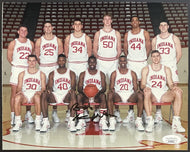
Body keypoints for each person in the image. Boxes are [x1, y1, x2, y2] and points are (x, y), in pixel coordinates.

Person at [141, 50, 185, 133]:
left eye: (157, 56)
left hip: (163, 93)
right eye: (154, 56)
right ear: (151, 58)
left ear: (160, 57)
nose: (156, 58)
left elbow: (170, 84)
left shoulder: (166, 69)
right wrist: (145, 88)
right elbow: (142, 84)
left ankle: (176, 122)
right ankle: (150, 121)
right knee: (146, 92)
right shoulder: (146, 69)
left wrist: (174, 87)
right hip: (152, 94)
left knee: (178, 92)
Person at [151, 20, 182, 124]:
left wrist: (172, 64)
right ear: (159, 27)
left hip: (171, 66)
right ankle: (158, 114)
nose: (163, 27)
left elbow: (179, 54)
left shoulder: (174, 38)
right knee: (158, 88)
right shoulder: (155, 39)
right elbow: (153, 54)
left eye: (165, 25)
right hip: (159, 66)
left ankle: (176, 117)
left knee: (175, 90)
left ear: (168, 26)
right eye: (161, 25)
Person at [93, 13, 121, 122]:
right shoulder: (98, 33)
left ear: (111, 21)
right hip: (101, 62)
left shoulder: (116, 33)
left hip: (113, 62)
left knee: (114, 86)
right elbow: (95, 47)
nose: (107, 21)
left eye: (109, 19)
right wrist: (98, 57)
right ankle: (97, 110)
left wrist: (116, 58)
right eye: (105, 19)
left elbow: (119, 48)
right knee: (98, 86)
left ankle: (116, 111)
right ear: (103, 21)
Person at [123, 16, 151, 124]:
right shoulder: (127, 34)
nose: (135, 22)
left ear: (139, 22)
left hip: (142, 62)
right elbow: (125, 49)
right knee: (131, 86)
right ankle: (130, 113)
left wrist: (144, 57)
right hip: (131, 62)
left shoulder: (145, 33)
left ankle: (143, 111)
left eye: (136, 20)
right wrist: (130, 58)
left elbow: (148, 48)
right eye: (133, 20)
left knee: (142, 86)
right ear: (131, 23)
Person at [64, 18, 92, 121]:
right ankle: (69, 110)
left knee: (84, 88)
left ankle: (84, 110)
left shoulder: (86, 38)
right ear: (73, 26)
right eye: (75, 24)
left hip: (83, 64)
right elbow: (66, 53)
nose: (77, 26)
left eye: (79, 24)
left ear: (82, 26)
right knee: (71, 87)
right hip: (72, 64)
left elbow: (89, 52)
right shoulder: (68, 38)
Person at [40, 54, 77, 133]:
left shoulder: (71, 73)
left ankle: (71, 122)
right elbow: (50, 86)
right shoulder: (52, 73)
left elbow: (73, 86)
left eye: (63, 60)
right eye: (59, 60)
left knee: (73, 94)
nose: (61, 62)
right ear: (57, 62)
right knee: (43, 94)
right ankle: (46, 122)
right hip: (55, 95)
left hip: (66, 95)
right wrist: (48, 90)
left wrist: (72, 90)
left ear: (65, 61)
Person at [35, 22, 64, 123]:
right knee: (43, 90)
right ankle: (44, 114)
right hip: (43, 67)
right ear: (43, 28)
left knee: (54, 89)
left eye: (49, 26)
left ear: (52, 28)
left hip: (54, 66)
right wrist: (44, 64)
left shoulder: (58, 40)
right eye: (45, 26)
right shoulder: (39, 41)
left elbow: (60, 56)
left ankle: (54, 112)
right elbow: (37, 56)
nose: (47, 28)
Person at [107, 55, 144, 131]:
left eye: (124, 61)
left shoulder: (132, 73)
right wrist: (111, 91)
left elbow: (135, 88)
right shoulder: (114, 73)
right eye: (121, 61)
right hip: (119, 95)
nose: (122, 62)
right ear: (118, 62)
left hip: (129, 95)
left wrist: (138, 92)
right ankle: (112, 119)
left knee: (140, 95)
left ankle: (139, 120)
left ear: (127, 62)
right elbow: (111, 87)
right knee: (109, 95)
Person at [7, 25, 35, 125]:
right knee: (14, 93)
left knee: (28, 92)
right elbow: (9, 57)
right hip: (17, 69)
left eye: (25, 30)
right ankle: (13, 115)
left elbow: (32, 56)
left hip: (27, 69)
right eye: (21, 30)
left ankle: (28, 114)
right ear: (18, 32)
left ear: (27, 32)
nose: (23, 32)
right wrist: (16, 66)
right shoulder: (13, 43)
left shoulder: (30, 43)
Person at [12, 55, 46, 132]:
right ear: (27, 62)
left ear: (36, 62)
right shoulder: (22, 74)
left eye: (33, 61)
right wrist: (19, 91)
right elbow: (19, 87)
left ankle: (37, 121)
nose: (31, 63)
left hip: (35, 94)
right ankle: (18, 122)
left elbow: (44, 88)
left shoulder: (41, 74)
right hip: (25, 95)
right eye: (30, 61)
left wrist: (40, 92)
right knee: (17, 98)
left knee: (38, 97)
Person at [76, 55, 108, 130]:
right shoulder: (83, 74)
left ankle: (103, 120)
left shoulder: (101, 74)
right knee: (78, 96)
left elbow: (104, 88)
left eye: (93, 62)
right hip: (85, 96)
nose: (92, 64)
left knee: (103, 96)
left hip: (97, 96)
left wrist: (96, 95)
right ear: (88, 63)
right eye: (90, 62)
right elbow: (79, 88)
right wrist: (86, 95)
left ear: (96, 63)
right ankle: (81, 120)